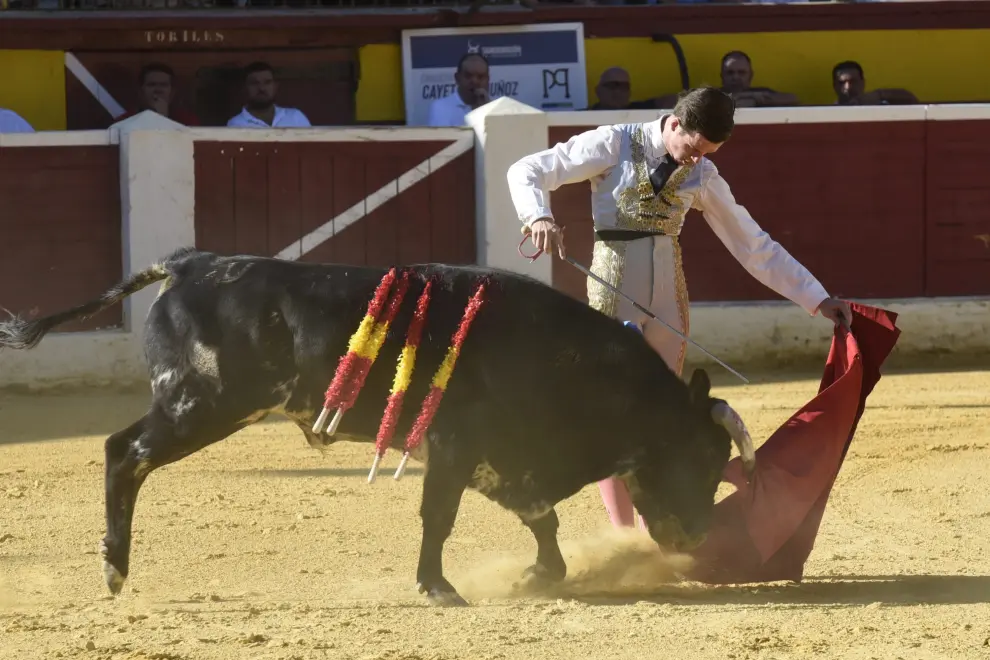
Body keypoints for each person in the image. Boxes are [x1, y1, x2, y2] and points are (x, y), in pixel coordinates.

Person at [506, 86, 852, 530]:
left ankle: (660, 526)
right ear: (673, 124)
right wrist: (538, 216)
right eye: (692, 147)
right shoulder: (615, 142)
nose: (695, 160)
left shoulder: (703, 174)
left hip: (670, 304)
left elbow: (754, 246)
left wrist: (816, 297)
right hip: (613, 298)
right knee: (612, 414)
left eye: (707, 152)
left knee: (661, 418)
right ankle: (623, 534)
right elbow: (528, 169)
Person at [228, 61, 311, 128]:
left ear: (275, 86)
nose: (261, 88)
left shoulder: (295, 117)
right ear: (245, 88)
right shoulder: (236, 124)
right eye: (254, 83)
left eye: (267, 82)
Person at [425, 53, 491, 127]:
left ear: (488, 80)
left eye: (480, 77)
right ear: (457, 78)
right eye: (468, 76)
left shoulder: (497, 110)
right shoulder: (440, 108)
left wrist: (486, 110)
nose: (474, 81)